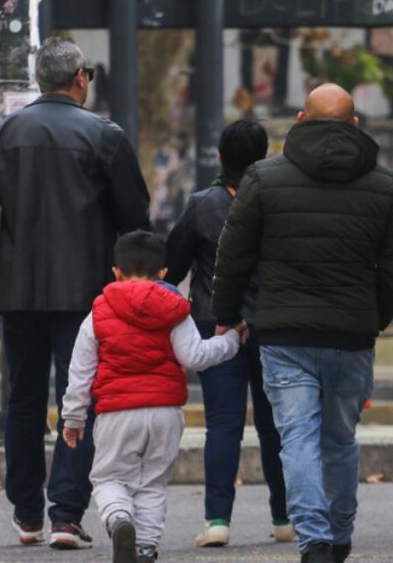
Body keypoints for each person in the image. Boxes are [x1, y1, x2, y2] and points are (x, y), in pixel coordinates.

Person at [0, 36, 151, 549]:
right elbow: (136, 221)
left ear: (40, 79)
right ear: (80, 77)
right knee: (79, 398)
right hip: (87, 296)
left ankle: (26, 511)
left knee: (22, 399)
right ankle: (66, 512)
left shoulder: (1, 132)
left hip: (18, 292)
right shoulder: (104, 136)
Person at [212, 84, 393, 563]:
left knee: (297, 439)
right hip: (352, 336)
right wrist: (374, 318)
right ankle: (340, 533)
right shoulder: (383, 184)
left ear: (301, 119)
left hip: (284, 336)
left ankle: (315, 540)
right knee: (340, 439)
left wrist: (226, 316)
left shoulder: (263, 178)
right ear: (355, 125)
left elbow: (233, 256)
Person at [61, 230, 244, 563]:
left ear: (115, 271)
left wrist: (73, 418)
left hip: (117, 413)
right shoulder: (174, 309)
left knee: (108, 478)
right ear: (163, 273)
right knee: (153, 484)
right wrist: (231, 341)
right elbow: (195, 357)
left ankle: (119, 520)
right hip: (164, 412)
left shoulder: (99, 313)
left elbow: (80, 371)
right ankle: (144, 547)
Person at [165, 119, 293, 547]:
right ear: (266, 154)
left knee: (223, 425)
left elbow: (175, 268)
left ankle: (218, 520)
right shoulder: (281, 200)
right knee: (276, 426)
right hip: (273, 325)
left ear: (220, 157)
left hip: (215, 324)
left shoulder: (202, 204)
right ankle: (283, 517)